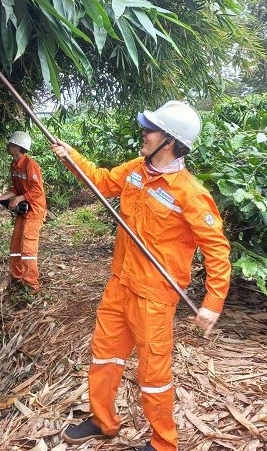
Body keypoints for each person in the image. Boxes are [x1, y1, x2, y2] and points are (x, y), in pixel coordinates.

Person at [51, 101, 232, 451]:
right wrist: (70, 156)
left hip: (154, 296)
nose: (144, 134)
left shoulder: (190, 193)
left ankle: (163, 443)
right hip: (120, 283)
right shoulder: (135, 170)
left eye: (150, 130)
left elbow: (217, 250)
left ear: (170, 141)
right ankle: (102, 421)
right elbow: (102, 180)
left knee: (153, 374)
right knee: (104, 356)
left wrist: (212, 303)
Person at [0, 131, 47, 294]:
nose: (7, 146)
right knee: (16, 244)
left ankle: (31, 285)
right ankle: (17, 276)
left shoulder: (30, 165)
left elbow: (37, 190)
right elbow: (15, 188)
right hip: (24, 209)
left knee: (28, 248)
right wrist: (0, 198)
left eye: (10, 144)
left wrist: (19, 199)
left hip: (35, 210)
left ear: (16, 147)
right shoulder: (14, 165)